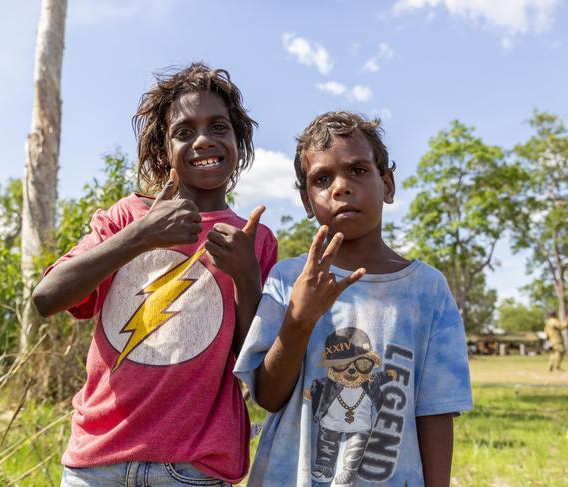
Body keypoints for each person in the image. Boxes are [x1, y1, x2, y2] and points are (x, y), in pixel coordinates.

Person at [32, 63, 278, 487]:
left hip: (193, 469)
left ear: (238, 141)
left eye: (218, 126)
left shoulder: (254, 240)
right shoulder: (127, 217)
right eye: (184, 131)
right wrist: (139, 236)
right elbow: (47, 298)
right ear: (164, 150)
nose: (203, 140)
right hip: (97, 463)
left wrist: (246, 276)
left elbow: (254, 368)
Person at [235, 112, 473, 487]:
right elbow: (267, 396)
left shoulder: (427, 289)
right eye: (322, 179)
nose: (341, 187)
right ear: (306, 200)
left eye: (358, 170)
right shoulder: (287, 279)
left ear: (388, 185)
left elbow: (436, 412)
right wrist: (299, 318)